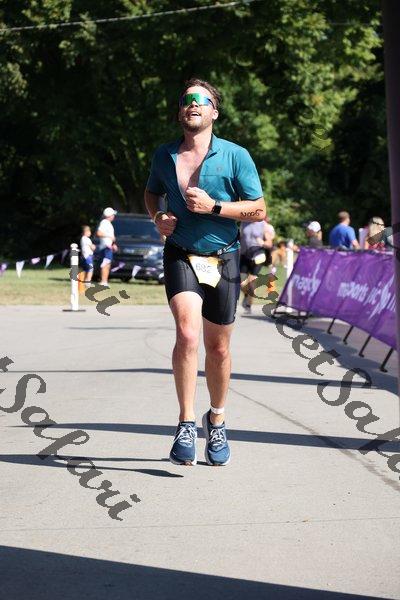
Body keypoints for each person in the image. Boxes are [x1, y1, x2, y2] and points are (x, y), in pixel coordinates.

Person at [144, 78, 265, 467]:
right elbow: (152, 193)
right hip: (181, 254)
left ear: (214, 111)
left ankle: (216, 419)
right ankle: (185, 423)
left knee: (219, 347)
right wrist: (158, 217)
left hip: (224, 258)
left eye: (201, 100)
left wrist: (214, 207)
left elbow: (258, 209)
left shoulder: (235, 155)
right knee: (186, 333)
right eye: (186, 100)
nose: (192, 105)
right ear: (180, 111)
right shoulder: (164, 155)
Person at [240, 219, 274, 314]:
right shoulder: (244, 222)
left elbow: (270, 243)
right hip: (244, 255)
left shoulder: (263, 225)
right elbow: (240, 237)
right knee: (242, 283)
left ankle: (248, 305)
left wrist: (263, 243)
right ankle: (247, 295)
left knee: (251, 281)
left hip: (258, 255)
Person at [96, 207, 118, 287]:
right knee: (106, 263)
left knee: (107, 263)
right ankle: (103, 281)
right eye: (113, 215)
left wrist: (113, 244)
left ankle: (105, 281)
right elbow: (99, 233)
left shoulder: (108, 223)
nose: (114, 216)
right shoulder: (104, 222)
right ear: (109, 215)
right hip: (106, 247)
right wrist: (109, 236)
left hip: (108, 246)